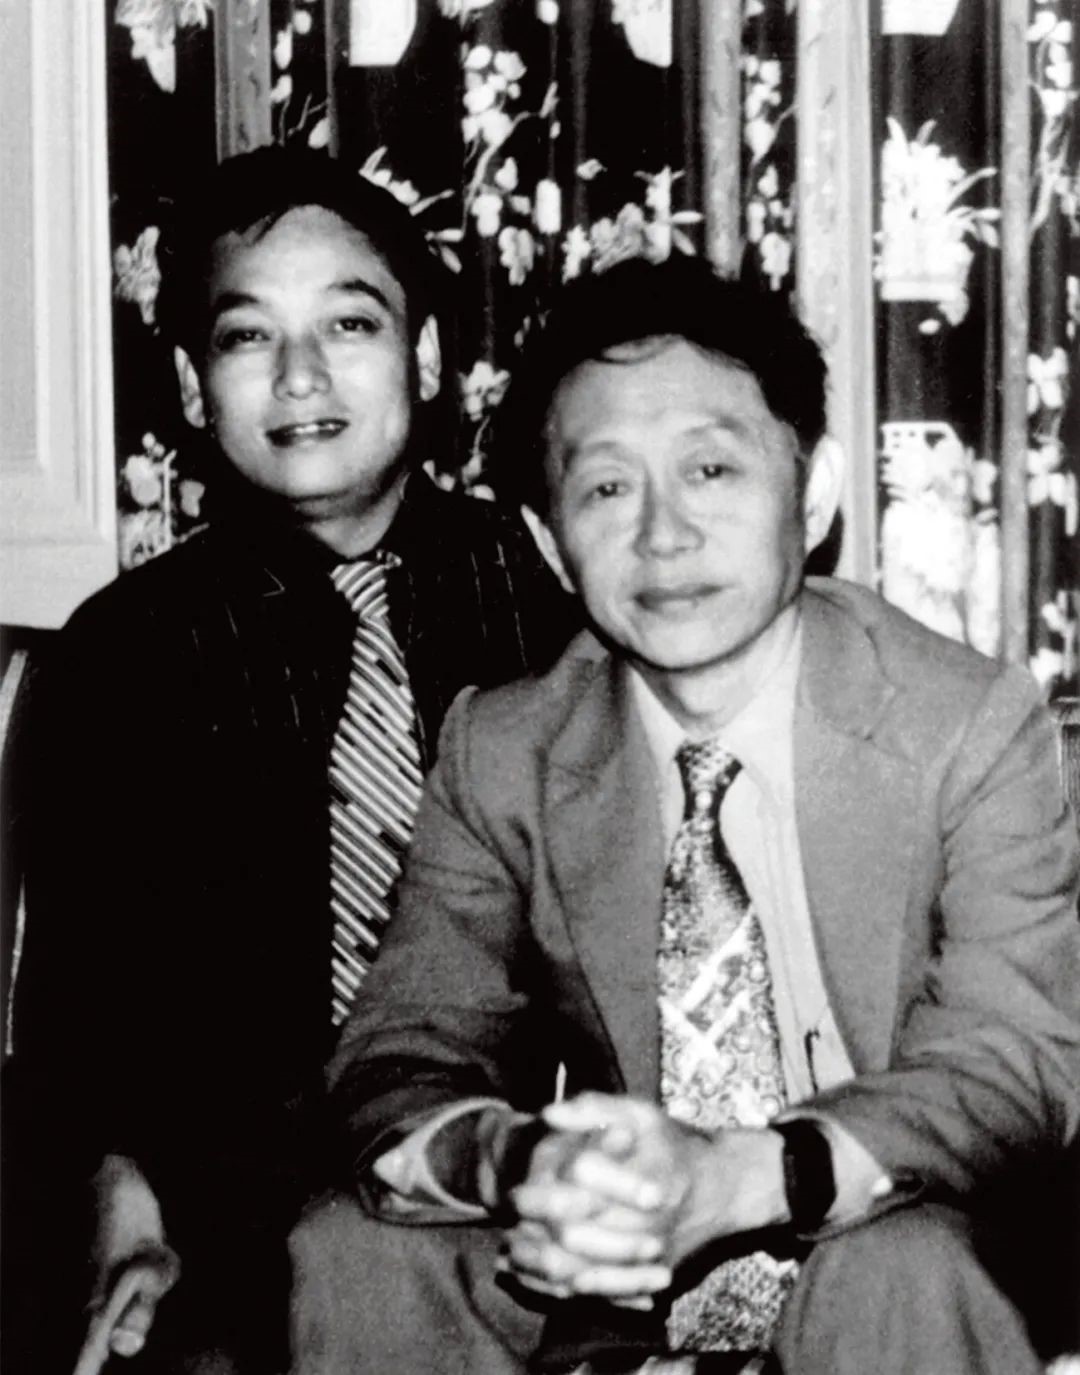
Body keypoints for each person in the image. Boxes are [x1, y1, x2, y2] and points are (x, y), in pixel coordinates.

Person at [292, 255, 1080, 1375]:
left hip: (897, 1236)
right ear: (548, 540)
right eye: (608, 489)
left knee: (892, 1268)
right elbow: (397, 1051)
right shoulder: (505, 747)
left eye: (711, 468)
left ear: (813, 494)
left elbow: (1013, 1061)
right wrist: (522, 1165)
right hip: (616, 1282)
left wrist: (753, 1175)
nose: (663, 534)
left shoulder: (968, 723)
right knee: (353, 1249)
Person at [3, 147, 577, 1374]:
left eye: (350, 324)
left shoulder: (553, 607)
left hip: (520, 1200)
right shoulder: (126, 656)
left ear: (426, 357)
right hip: (226, 1225)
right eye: (248, 336)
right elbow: (81, 1017)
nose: (300, 375)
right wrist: (125, 1210)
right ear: (191, 385)